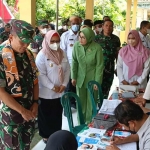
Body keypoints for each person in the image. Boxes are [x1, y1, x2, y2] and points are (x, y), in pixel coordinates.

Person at [0, 19, 39, 150]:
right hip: (10, 118)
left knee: (26, 145)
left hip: (28, 114)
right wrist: (22, 111)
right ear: (11, 37)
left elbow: (35, 81)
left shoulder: (28, 55)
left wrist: (35, 102)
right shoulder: (2, 55)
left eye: (28, 43)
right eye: (22, 42)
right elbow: (1, 92)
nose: (25, 46)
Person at [36, 30, 70, 143]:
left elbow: (67, 70)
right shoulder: (42, 55)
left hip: (59, 92)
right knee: (46, 116)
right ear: (47, 41)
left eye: (57, 41)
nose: (55, 44)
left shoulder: (63, 53)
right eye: (52, 41)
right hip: (45, 93)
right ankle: (46, 137)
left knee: (57, 115)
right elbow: (41, 74)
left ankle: (56, 134)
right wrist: (52, 87)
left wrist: (64, 84)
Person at [71, 27, 104, 124]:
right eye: (80, 37)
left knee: (91, 102)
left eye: (83, 37)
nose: (80, 39)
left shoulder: (97, 48)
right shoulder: (76, 46)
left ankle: (90, 122)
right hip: (80, 78)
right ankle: (81, 122)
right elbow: (74, 62)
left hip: (92, 79)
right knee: (80, 102)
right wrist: (73, 77)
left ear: (89, 38)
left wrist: (97, 82)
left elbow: (99, 66)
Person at [95, 20, 121, 98]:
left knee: (107, 88)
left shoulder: (116, 39)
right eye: (106, 25)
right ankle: (95, 106)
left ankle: (103, 105)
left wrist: (117, 67)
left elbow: (117, 54)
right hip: (98, 67)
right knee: (97, 87)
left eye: (110, 26)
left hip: (110, 67)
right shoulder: (96, 39)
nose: (108, 28)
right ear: (102, 26)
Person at [60, 16, 80, 109]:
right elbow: (62, 51)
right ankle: (67, 108)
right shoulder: (65, 35)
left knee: (76, 87)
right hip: (69, 66)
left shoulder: (81, 35)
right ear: (70, 24)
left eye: (77, 23)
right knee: (68, 88)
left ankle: (74, 103)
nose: (76, 25)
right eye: (73, 23)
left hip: (80, 67)